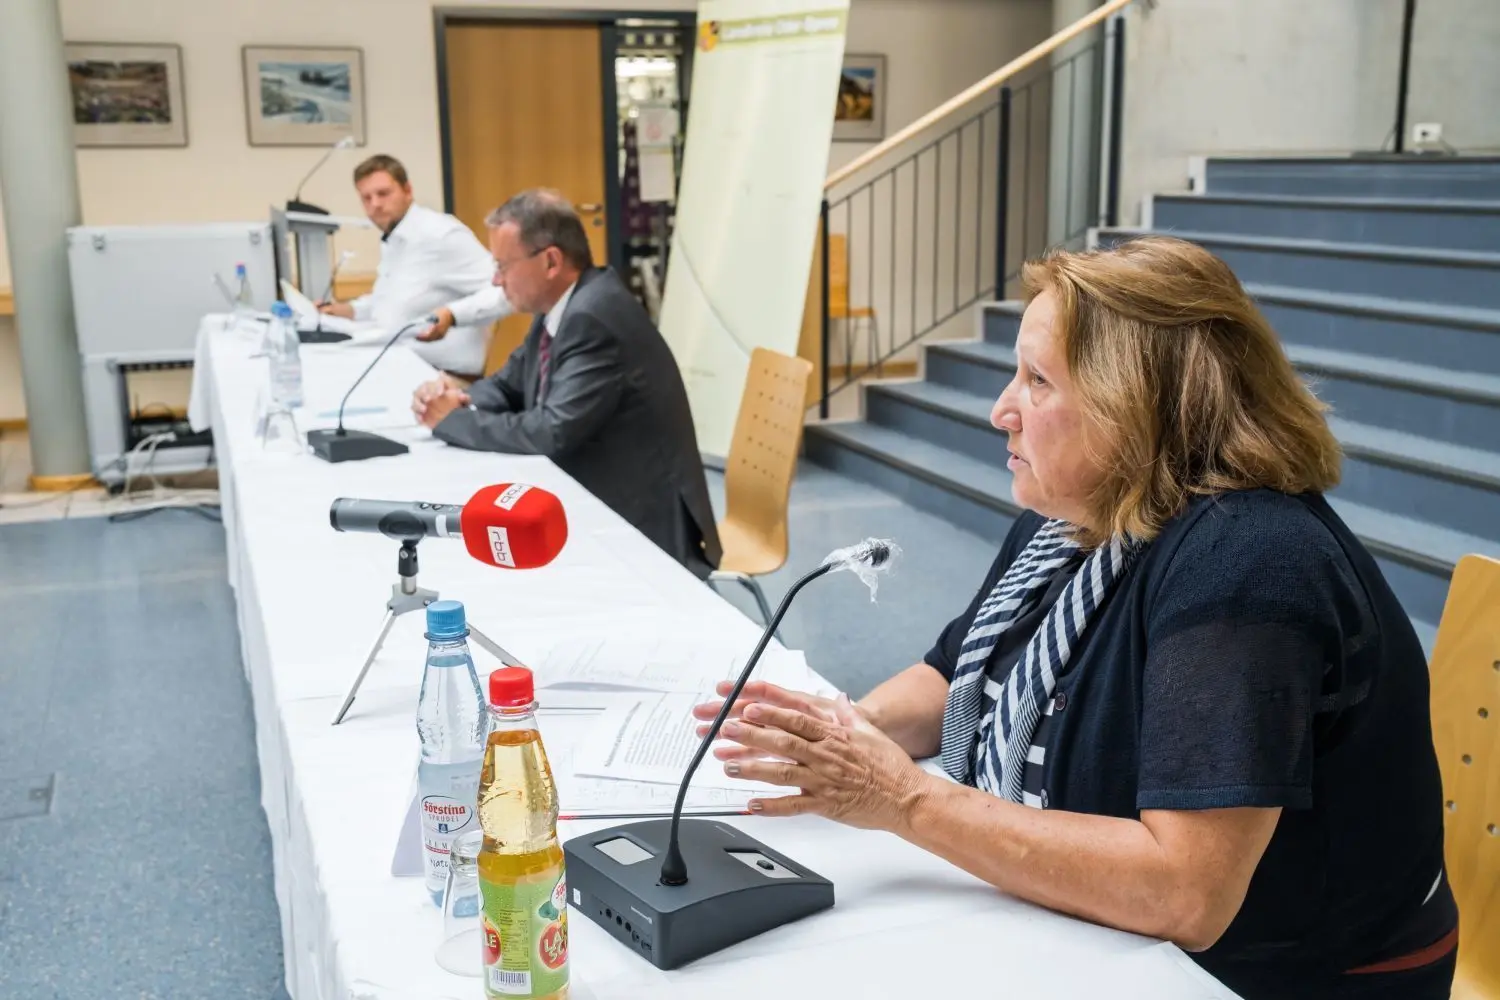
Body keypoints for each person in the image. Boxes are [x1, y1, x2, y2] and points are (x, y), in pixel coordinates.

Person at [694, 236, 1458, 999]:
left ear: (1139, 406)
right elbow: (956, 674)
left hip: (1268, 980)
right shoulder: (1074, 515)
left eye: (1038, 381)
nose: (1001, 411)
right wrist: (841, 734)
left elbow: (1184, 892)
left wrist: (903, 799)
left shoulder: (1247, 565)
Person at [412, 189, 722, 579]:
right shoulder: (561, 308)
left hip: (642, 523)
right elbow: (508, 385)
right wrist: (456, 398)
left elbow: (551, 432)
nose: (496, 279)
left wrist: (451, 421)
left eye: (503, 265)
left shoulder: (594, 316)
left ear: (551, 261)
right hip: (601, 492)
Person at [318, 154, 511, 378]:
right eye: (366, 198)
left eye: (383, 193)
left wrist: (452, 315)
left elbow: (505, 291)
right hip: (398, 364)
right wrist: (347, 310)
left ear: (407, 191)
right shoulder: (395, 238)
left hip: (441, 376)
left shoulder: (440, 235)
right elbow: (394, 302)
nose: (375, 205)